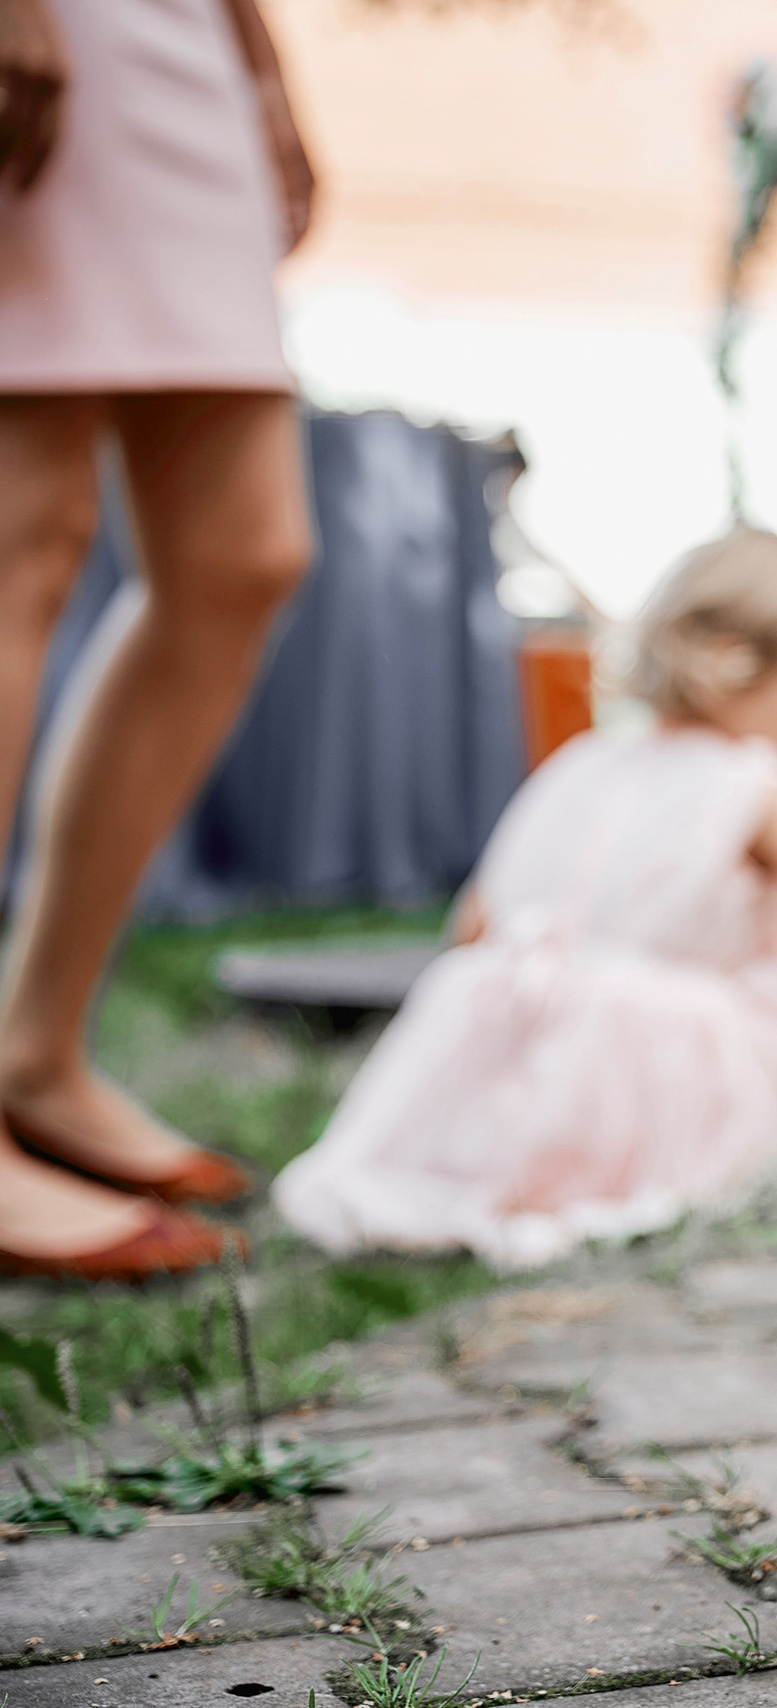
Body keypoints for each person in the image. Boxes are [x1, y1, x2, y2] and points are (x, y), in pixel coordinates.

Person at [274, 528, 777, 1271]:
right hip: (649, 1066)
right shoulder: (751, 786)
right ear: (732, 660)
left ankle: (485, 1161)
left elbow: (478, 924)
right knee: (776, 993)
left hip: (525, 1040)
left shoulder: (579, 764)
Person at [0, 0, 319, 1278]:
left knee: (242, 556)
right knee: (23, 529)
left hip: (175, 38)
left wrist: (261, 64)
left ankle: (39, 1049)